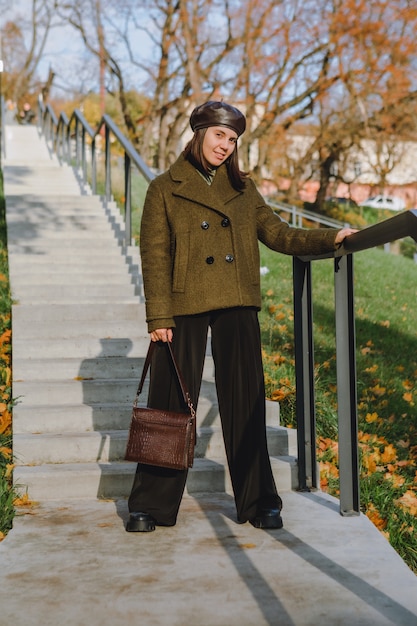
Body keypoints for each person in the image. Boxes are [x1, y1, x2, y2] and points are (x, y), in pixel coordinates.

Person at [126, 100, 356, 533]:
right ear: (199, 133)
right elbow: (155, 255)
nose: (226, 146)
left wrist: (333, 237)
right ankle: (151, 504)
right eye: (219, 135)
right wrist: (158, 315)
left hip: (236, 300)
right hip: (182, 303)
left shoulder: (243, 190)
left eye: (233, 140)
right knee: (171, 404)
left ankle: (259, 500)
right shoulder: (164, 188)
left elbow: (279, 233)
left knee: (246, 403)